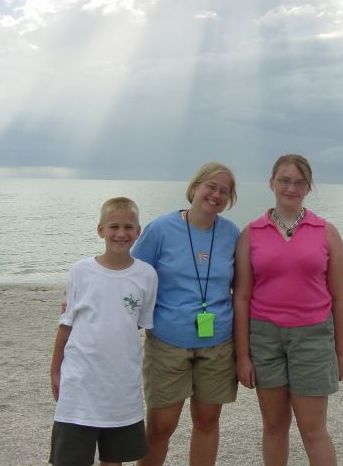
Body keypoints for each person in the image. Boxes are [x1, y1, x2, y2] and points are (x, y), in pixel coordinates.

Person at [233, 154, 343, 466]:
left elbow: (339, 297)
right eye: (284, 180)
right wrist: (243, 356)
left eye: (299, 182)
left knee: (313, 431)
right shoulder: (251, 233)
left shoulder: (326, 232)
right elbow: (241, 297)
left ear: (308, 188)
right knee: (273, 427)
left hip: (313, 338)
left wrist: (339, 352)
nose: (291, 187)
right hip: (265, 339)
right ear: (272, 183)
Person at [132, 162, 240, 466]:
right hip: (168, 341)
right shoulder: (160, 229)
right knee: (160, 426)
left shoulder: (232, 234)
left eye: (225, 191)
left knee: (207, 422)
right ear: (194, 188)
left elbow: (243, 289)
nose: (216, 194)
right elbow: (132, 278)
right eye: (211, 186)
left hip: (217, 344)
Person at [49, 197, 158, 466]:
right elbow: (67, 323)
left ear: (138, 231)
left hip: (121, 387)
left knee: (114, 459)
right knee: (70, 459)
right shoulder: (81, 271)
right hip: (80, 384)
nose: (121, 234)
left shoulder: (147, 275)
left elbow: (138, 322)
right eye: (114, 227)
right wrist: (55, 370)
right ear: (100, 230)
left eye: (128, 227)